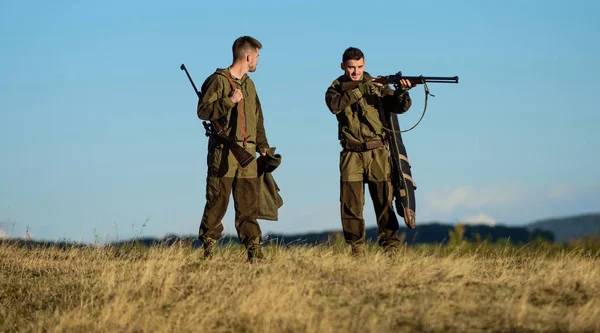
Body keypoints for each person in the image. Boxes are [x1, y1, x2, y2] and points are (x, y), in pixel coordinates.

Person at [324, 47, 413, 255]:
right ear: (343, 67)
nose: (356, 71)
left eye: (360, 67)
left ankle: (391, 248)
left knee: (385, 202)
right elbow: (334, 105)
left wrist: (402, 91)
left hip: (377, 152)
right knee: (351, 206)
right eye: (351, 68)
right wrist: (358, 91)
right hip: (351, 153)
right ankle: (357, 250)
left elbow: (400, 107)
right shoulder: (336, 87)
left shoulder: (378, 86)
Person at [196, 36, 270, 261]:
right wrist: (228, 101)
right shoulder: (217, 81)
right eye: (256, 57)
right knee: (217, 201)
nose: (257, 61)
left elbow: (257, 118)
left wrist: (263, 145)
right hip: (224, 153)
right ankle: (208, 250)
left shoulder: (250, 84)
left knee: (248, 204)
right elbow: (203, 111)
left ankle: (254, 252)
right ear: (248, 57)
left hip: (247, 154)